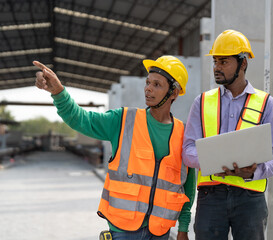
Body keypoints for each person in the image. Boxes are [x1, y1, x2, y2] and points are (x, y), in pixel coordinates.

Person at [33, 55, 196, 240]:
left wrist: (183, 228)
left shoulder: (183, 134)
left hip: (160, 232)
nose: (148, 88)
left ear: (173, 93)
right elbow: (81, 119)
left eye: (157, 85)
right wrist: (58, 92)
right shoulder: (123, 120)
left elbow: (187, 188)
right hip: (123, 231)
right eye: (148, 82)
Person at [182, 29, 273, 240]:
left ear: (243, 63)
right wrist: (213, 161)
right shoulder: (201, 102)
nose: (217, 68)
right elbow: (187, 150)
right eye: (215, 62)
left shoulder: (267, 104)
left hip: (250, 198)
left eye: (223, 62)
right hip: (210, 197)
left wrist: (252, 173)